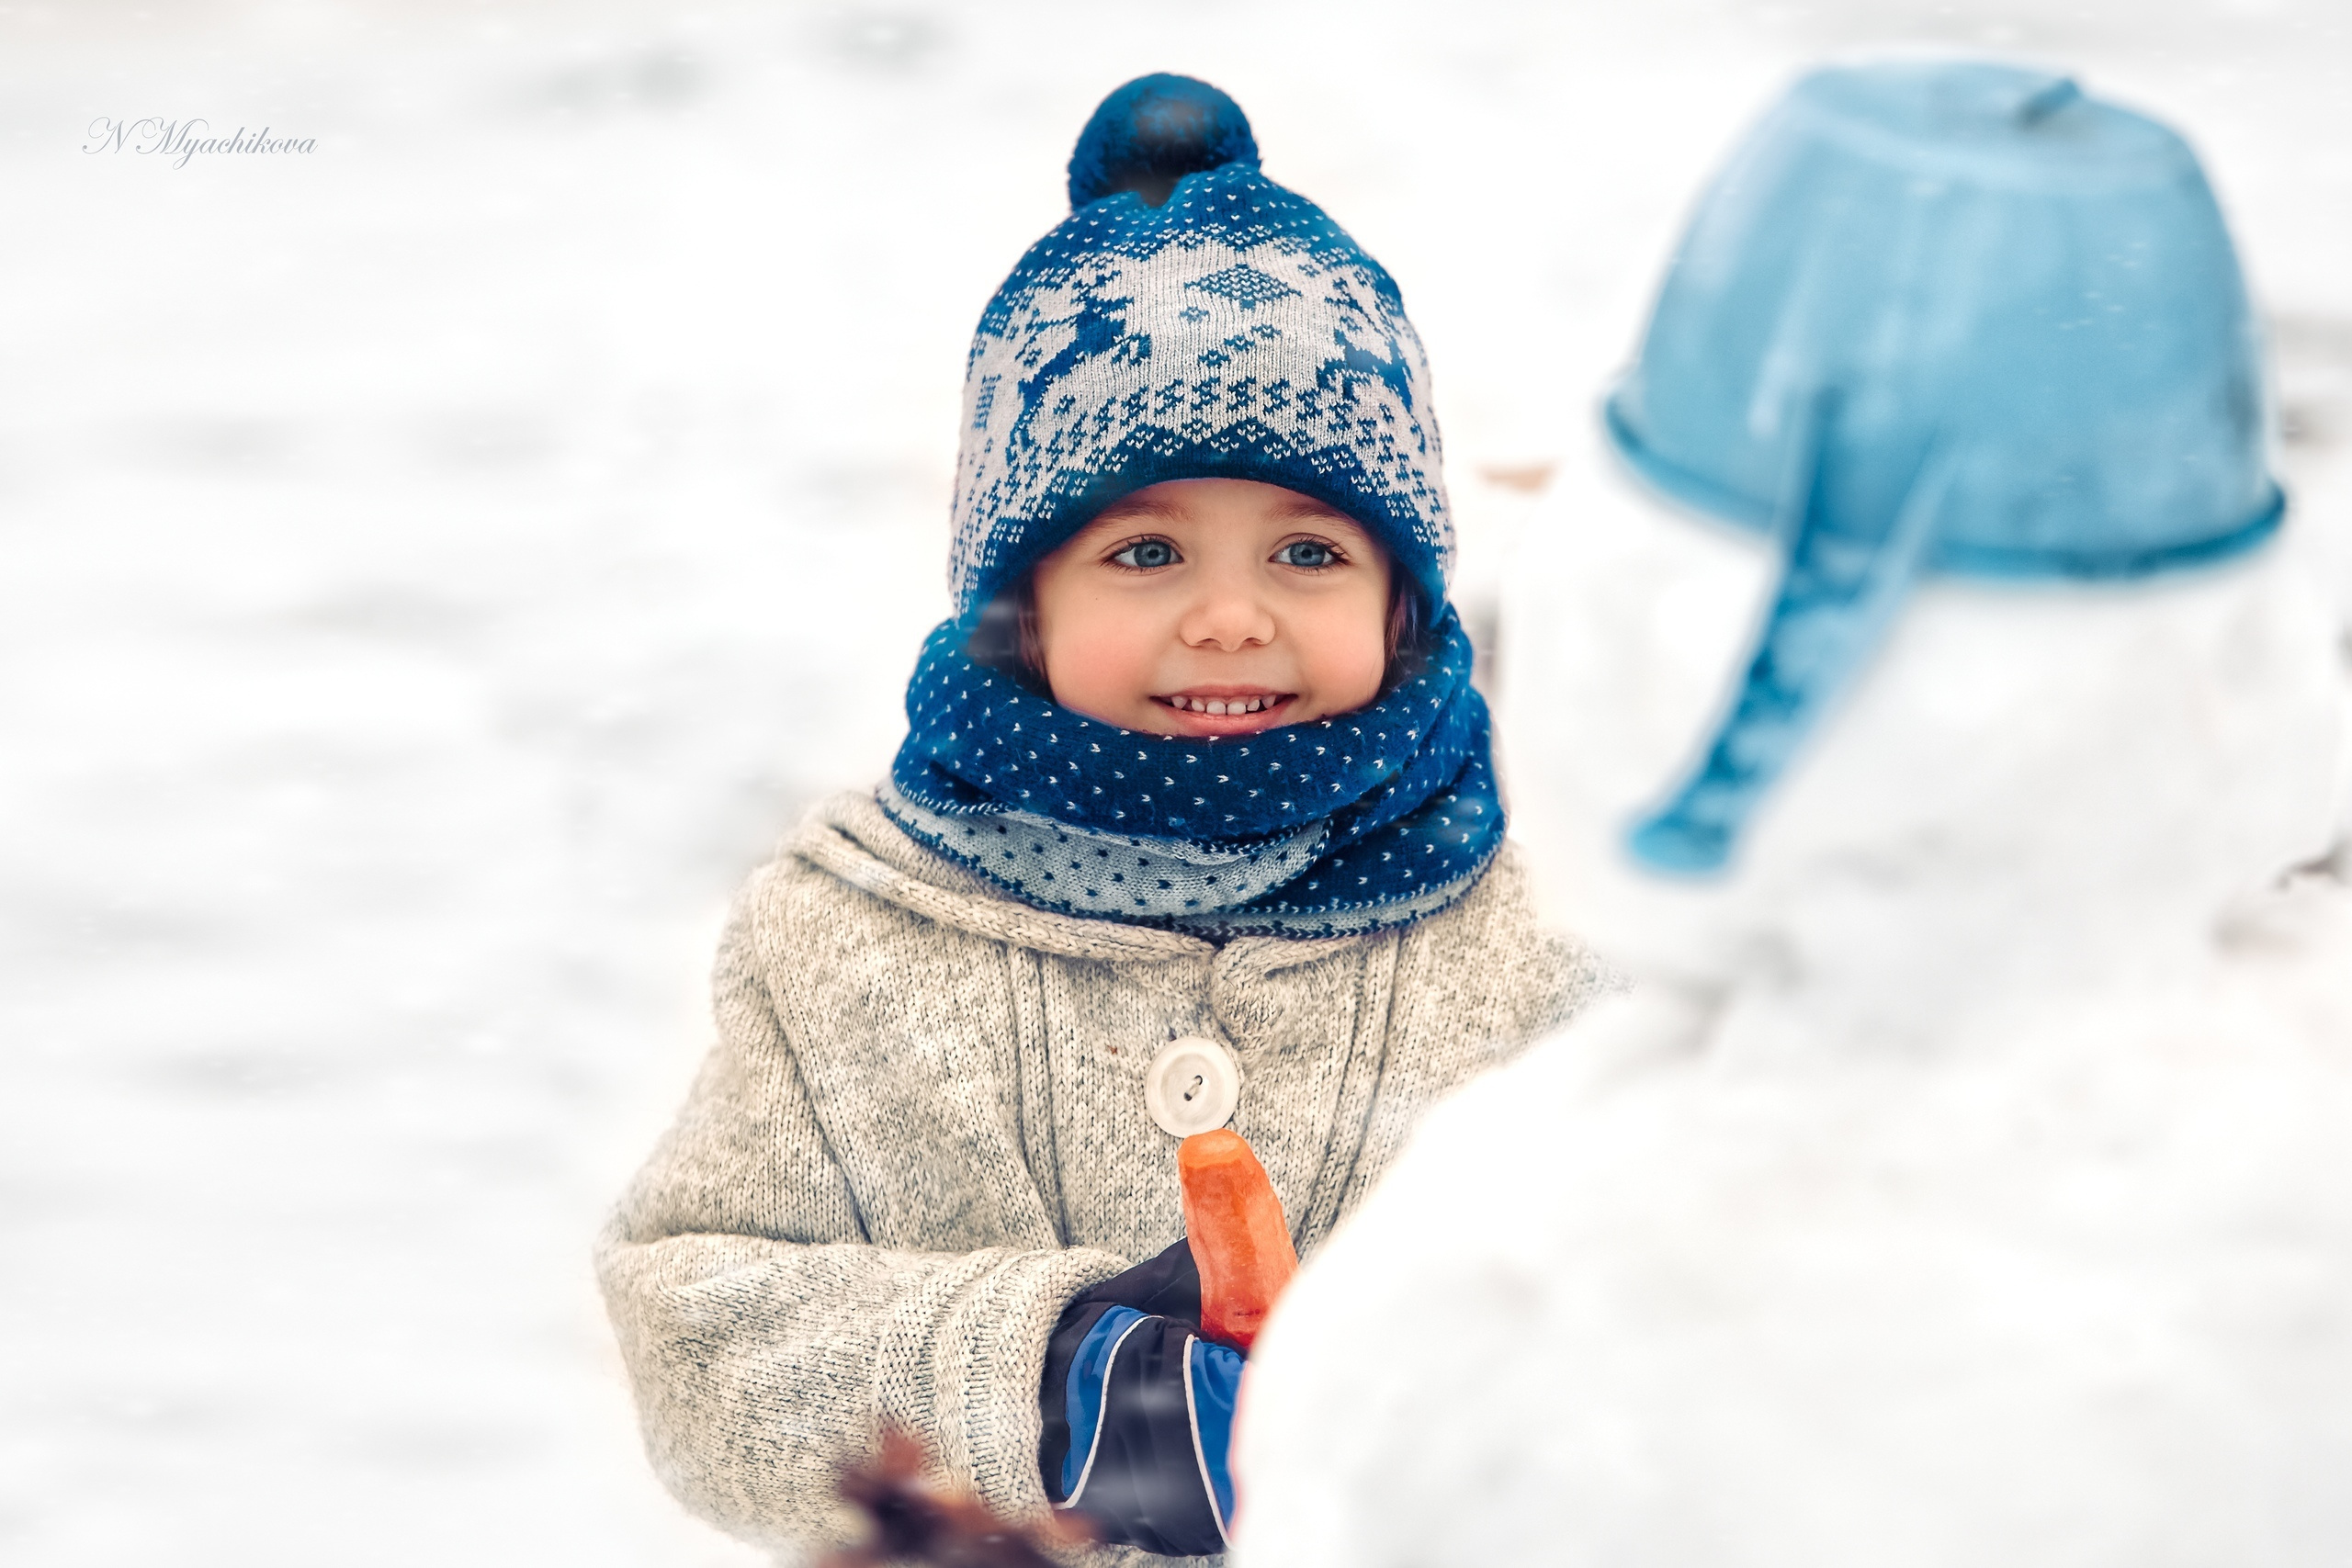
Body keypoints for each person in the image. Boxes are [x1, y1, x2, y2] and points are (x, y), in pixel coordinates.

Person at [595, 73, 1609, 1565]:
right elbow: (699, 1330)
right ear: (1020, 608)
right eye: (1143, 550)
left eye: (1311, 551)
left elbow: (1682, 1299)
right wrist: (1059, 1391)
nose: (1229, 616)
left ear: (1405, 602)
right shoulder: (845, 939)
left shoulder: (1545, 932)